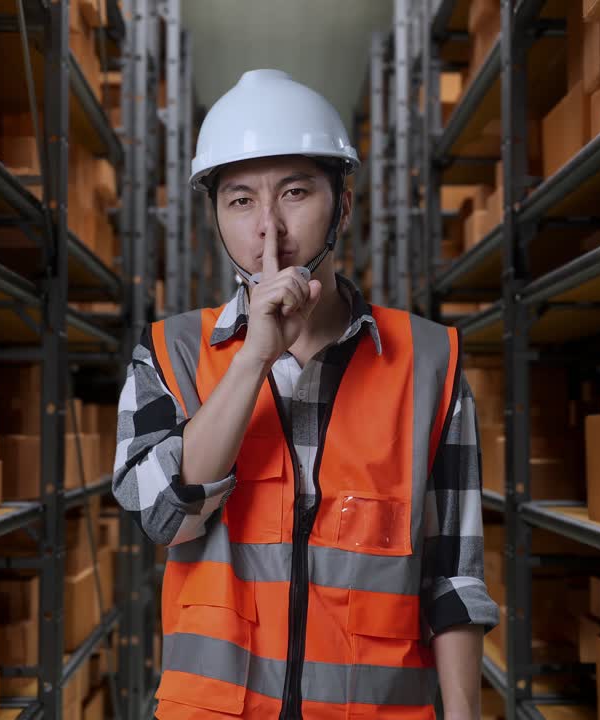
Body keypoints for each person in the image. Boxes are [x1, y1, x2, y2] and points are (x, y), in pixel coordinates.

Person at [111, 69, 498, 720]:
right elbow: (164, 518)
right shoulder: (170, 353)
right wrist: (253, 357)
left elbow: (454, 576)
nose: (269, 229)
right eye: (239, 201)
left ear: (342, 206)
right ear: (215, 218)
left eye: (294, 193)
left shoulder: (430, 362)